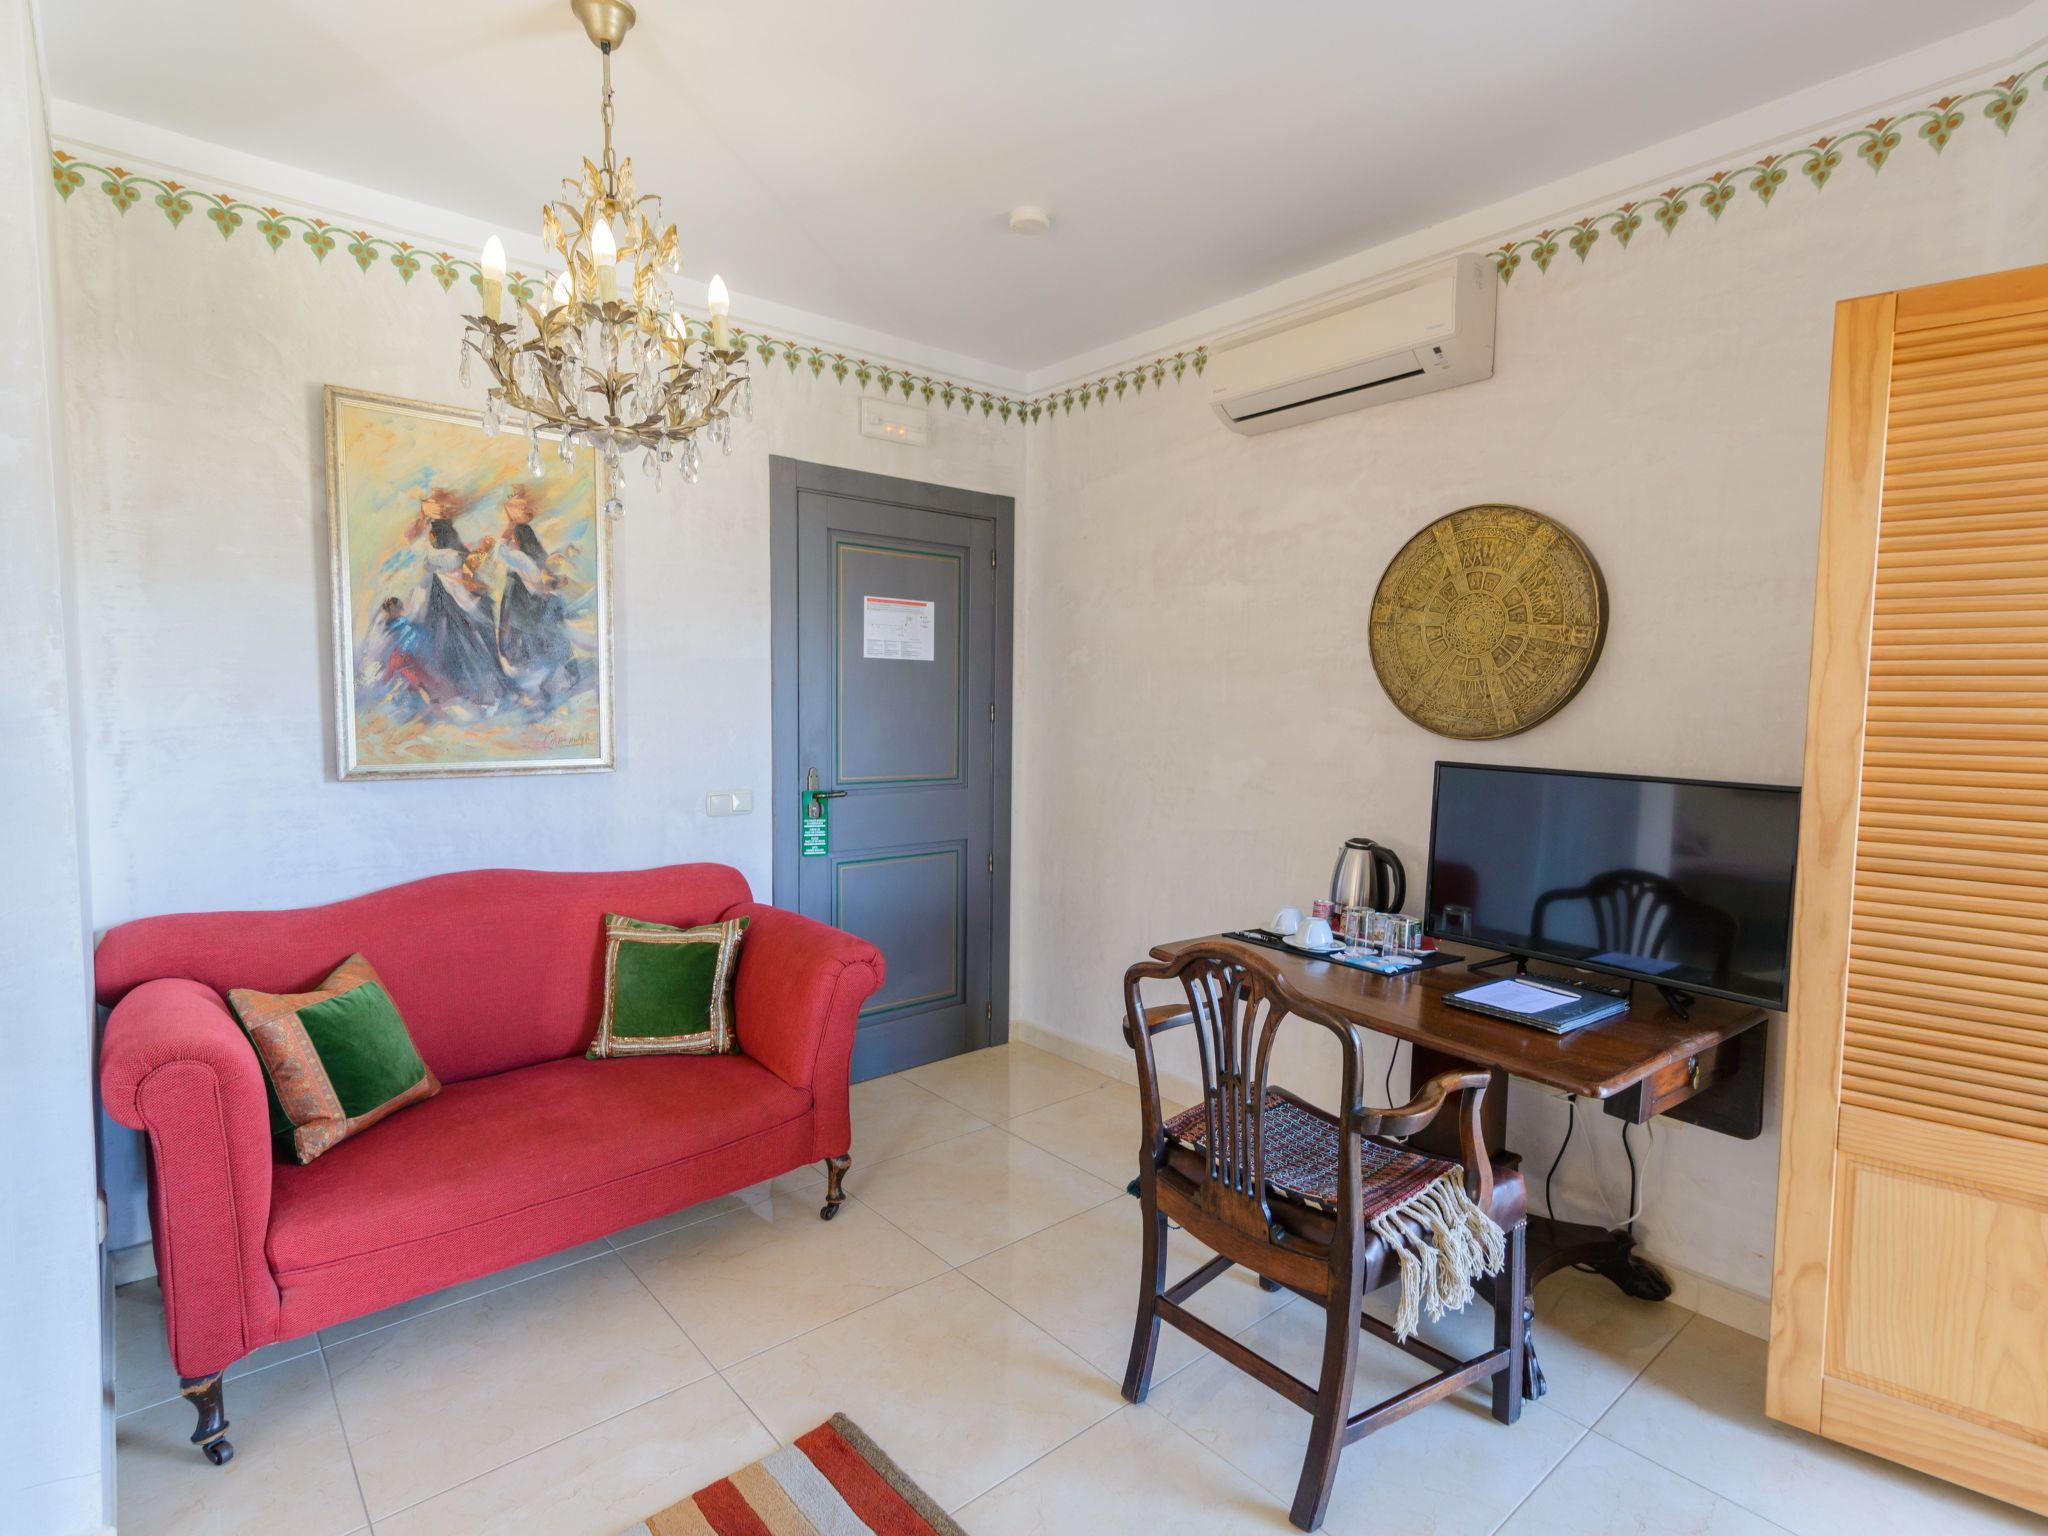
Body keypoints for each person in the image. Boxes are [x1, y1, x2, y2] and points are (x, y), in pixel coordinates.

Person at [405, 487, 506, 708]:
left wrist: (477, 554)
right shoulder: (433, 536)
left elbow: (462, 559)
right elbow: (441, 559)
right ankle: (463, 689)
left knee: (473, 626)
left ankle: (478, 687)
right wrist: (472, 555)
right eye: (437, 506)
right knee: (455, 637)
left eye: (443, 507)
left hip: (455, 589)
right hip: (445, 593)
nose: (442, 510)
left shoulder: (445, 532)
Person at [494, 485, 580, 705]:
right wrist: (558, 582)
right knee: (544, 635)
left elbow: (500, 551)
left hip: (524, 606)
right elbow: (544, 580)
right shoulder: (534, 557)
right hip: (532, 603)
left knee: (525, 643)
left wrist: (509, 526)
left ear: (517, 540)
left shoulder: (519, 558)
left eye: (514, 539)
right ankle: (552, 680)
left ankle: (535, 688)